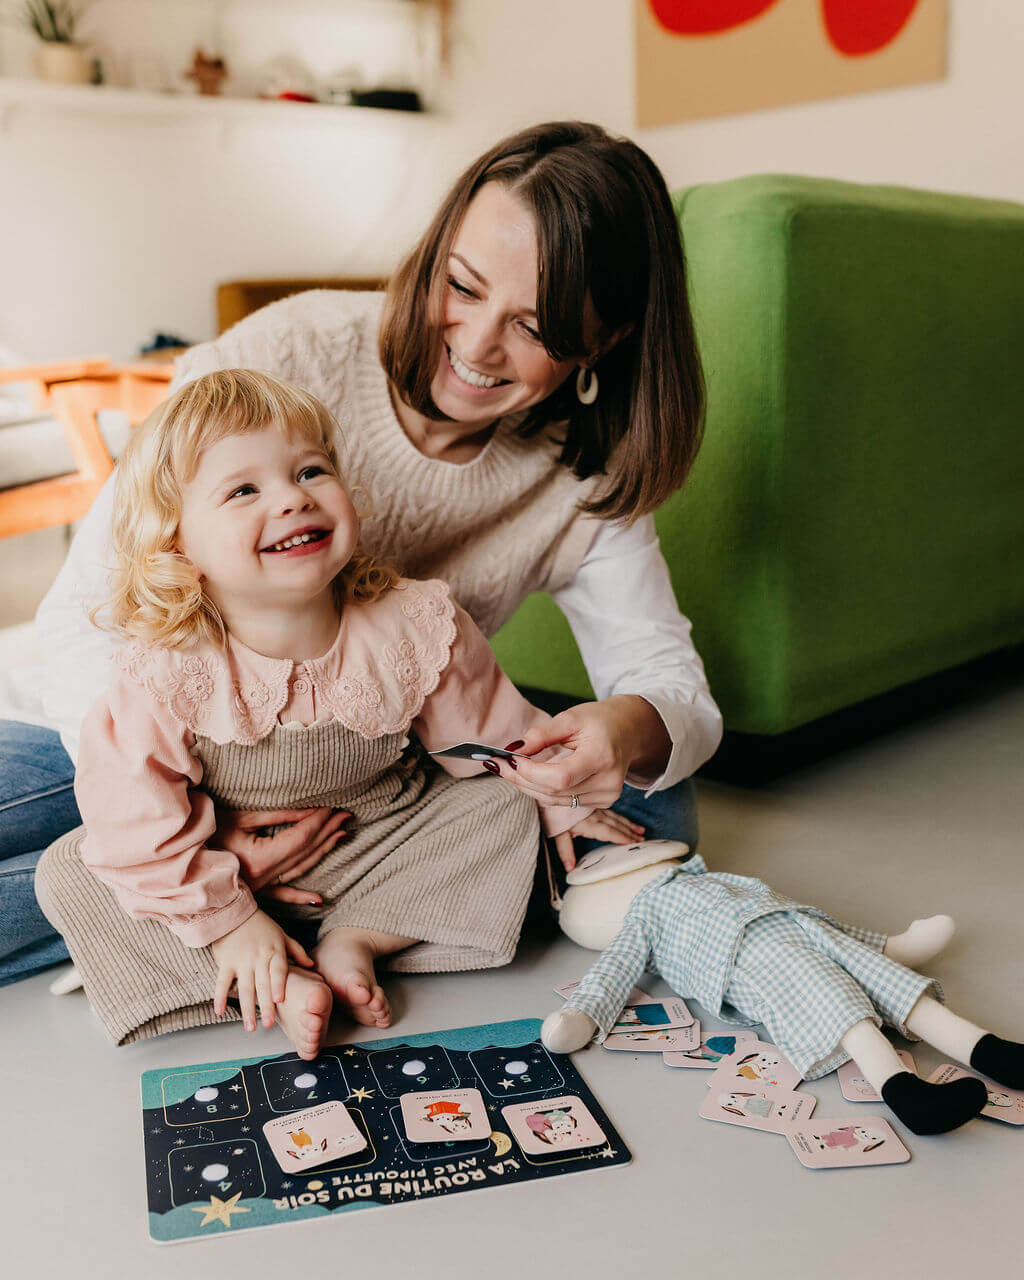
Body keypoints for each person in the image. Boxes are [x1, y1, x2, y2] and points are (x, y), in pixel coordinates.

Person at [0, 120, 723, 984]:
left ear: (603, 340)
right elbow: (89, 616)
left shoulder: (584, 475)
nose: (477, 345)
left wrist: (624, 726)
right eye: (461, 284)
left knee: (654, 798)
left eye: (535, 326)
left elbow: (671, 687)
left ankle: (234, 912)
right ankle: (236, 903)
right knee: (96, 821)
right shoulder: (283, 356)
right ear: (434, 251)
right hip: (133, 732)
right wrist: (202, 831)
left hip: (367, 774)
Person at [34, 369, 633, 1059]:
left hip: (373, 847)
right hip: (223, 870)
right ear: (179, 548)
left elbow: (492, 738)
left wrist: (561, 802)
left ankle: (362, 938)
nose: (292, 499)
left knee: (501, 808)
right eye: (244, 490)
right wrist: (230, 922)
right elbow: (137, 830)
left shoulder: (413, 623)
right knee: (74, 870)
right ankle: (269, 971)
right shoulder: (164, 669)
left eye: (311, 471)